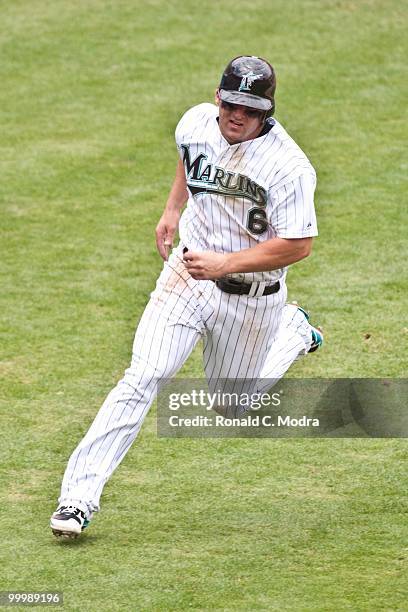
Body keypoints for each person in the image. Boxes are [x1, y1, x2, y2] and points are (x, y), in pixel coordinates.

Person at [50, 55, 323, 538]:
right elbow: (188, 158)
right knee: (144, 375)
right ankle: (76, 499)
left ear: (268, 111)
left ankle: (293, 330)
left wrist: (227, 263)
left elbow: (298, 244)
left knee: (229, 406)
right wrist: (173, 208)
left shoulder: (289, 167)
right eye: (231, 104)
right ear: (219, 97)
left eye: (251, 109)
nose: (238, 116)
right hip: (187, 274)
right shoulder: (197, 122)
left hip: (253, 299)